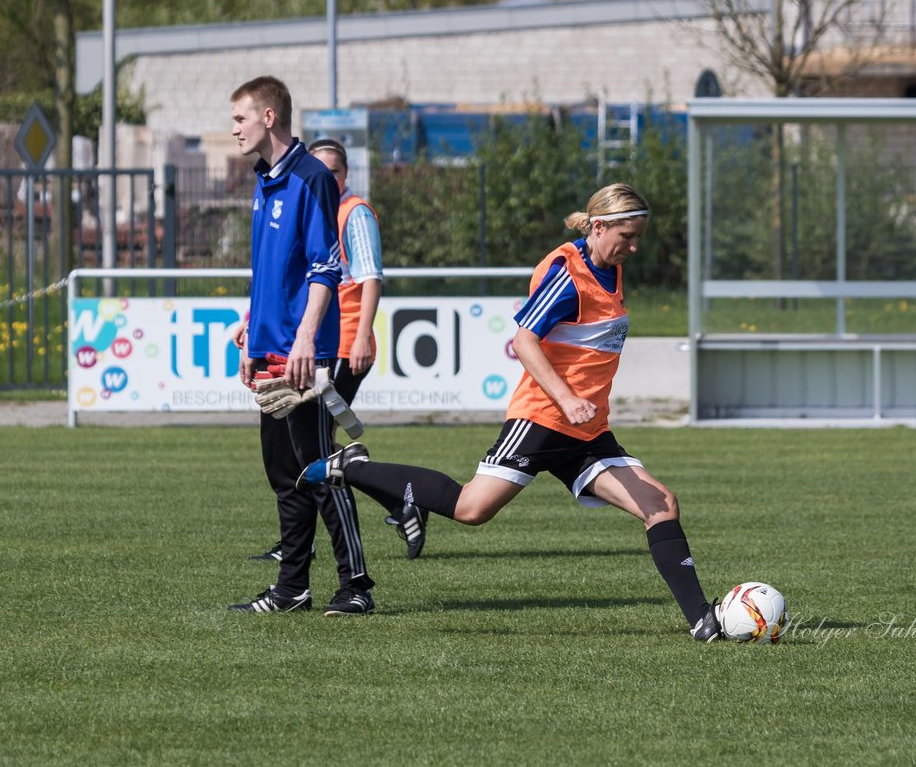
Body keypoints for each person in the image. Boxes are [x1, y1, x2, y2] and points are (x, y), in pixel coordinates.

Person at [296, 183, 724, 641]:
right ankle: (354, 467)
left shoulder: (609, 266)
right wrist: (567, 399)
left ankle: (702, 620)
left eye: (639, 236)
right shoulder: (568, 273)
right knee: (471, 509)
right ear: (598, 226)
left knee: (661, 505)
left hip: (586, 432)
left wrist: (581, 406)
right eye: (627, 235)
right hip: (541, 420)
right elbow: (523, 340)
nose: (634, 246)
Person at [226, 75, 376, 614]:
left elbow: (324, 265)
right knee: (284, 474)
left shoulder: (311, 177)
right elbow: (266, 270)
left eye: (240, 118)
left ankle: (355, 585)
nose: (234, 129)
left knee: (319, 469)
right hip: (270, 348)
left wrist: (307, 338)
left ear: (269, 117)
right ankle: (292, 589)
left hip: (303, 352)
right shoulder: (264, 179)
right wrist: (251, 332)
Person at [308, 137, 428, 559]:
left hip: (343, 345)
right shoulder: (314, 211)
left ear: (344, 175)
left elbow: (370, 278)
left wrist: (361, 336)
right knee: (311, 446)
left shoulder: (353, 213)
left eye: (333, 171)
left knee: (314, 445)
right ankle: (399, 502)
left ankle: (400, 501)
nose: (325, 178)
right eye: (317, 170)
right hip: (317, 344)